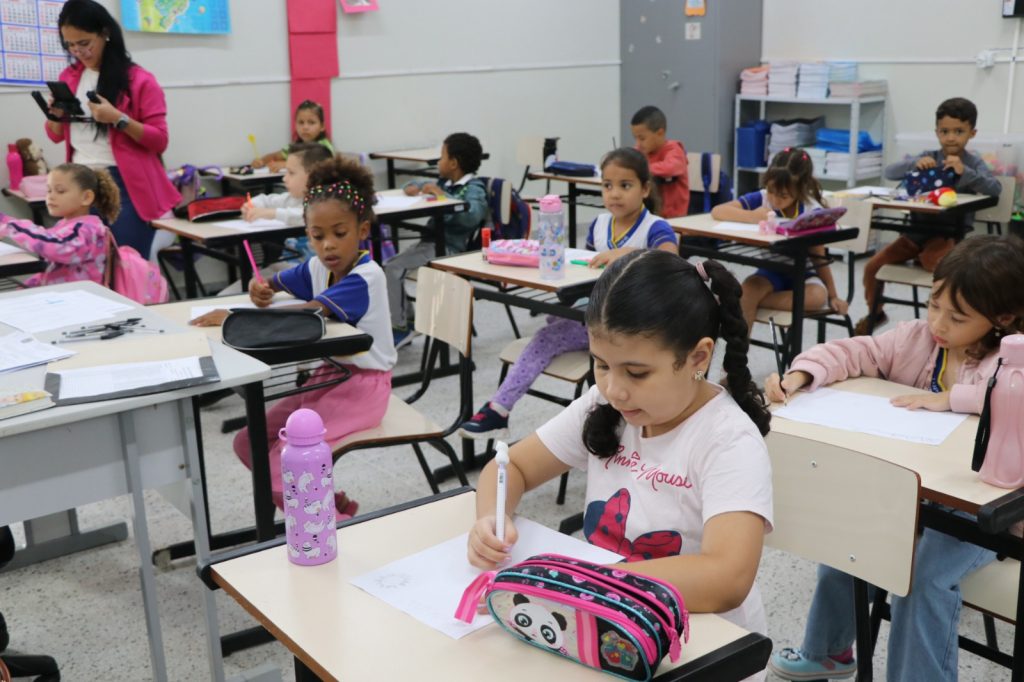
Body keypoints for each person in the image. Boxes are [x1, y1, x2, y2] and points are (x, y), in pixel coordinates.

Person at [468, 250, 774, 680]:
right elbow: (510, 468)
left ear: (698, 358)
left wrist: (591, 580)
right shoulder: (606, 405)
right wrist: (491, 518)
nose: (614, 389)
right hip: (607, 625)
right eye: (601, 365)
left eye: (637, 372)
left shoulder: (727, 439)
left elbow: (727, 578)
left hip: (702, 650)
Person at [765, 234, 1024, 682]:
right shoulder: (918, 339)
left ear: (1001, 318)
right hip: (914, 495)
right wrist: (802, 374)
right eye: (934, 305)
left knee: (922, 580)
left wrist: (953, 398)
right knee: (849, 543)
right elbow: (855, 351)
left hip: (983, 512)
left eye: (957, 317)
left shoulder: (1011, 359)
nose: (938, 323)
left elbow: (1011, 397)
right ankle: (828, 653)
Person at [191, 156, 397, 519]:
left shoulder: (366, 277)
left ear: (363, 230)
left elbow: (306, 315)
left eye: (339, 233)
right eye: (317, 236)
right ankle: (325, 508)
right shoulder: (318, 266)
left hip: (364, 387)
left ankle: (327, 527)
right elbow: (278, 281)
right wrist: (261, 288)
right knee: (249, 443)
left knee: (286, 458)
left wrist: (238, 316)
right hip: (330, 375)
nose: (328, 245)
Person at [458, 147, 679, 440]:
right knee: (554, 320)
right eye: (607, 186)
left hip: (632, 323)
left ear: (645, 189)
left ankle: (499, 408)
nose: (614, 194)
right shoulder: (600, 224)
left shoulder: (655, 226)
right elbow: (585, 271)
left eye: (625, 186)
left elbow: (671, 259)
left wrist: (629, 253)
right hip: (597, 313)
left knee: (544, 337)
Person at [45, 0, 180, 261]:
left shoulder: (139, 80)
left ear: (105, 33)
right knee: (85, 265)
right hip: (80, 182)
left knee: (127, 264)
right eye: (70, 45)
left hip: (124, 184)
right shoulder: (69, 76)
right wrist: (56, 116)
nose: (78, 51)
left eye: (84, 43)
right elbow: (55, 134)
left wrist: (119, 119)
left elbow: (159, 140)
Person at [856, 97, 1002, 335]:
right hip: (914, 235)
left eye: (959, 131)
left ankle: (941, 319)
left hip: (948, 236)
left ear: (972, 133)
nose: (951, 138)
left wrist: (965, 172)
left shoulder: (972, 163)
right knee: (873, 266)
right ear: (936, 132)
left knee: (939, 268)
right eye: (945, 131)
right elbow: (890, 172)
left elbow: (995, 188)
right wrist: (915, 163)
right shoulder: (928, 156)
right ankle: (876, 313)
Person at [711, 148, 847, 334]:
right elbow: (718, 211)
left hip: (802, 273)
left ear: (800, 190)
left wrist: (833, 295)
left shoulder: (811, 211)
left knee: (817, 296)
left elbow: (818, 257)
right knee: (751, 288)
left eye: (783, 196)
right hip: (770, 271)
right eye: (771, 191)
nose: (775, 200)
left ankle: (742, 300)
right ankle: (739, 352)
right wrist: (753, 216)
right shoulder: (762, 198)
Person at [387, 132, 488, 348]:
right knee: (390, 266)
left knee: (392, 269)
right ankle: (409, 321)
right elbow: (423, 183)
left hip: (449, 249)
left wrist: (442, 196)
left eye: (442, 156)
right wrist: (413, 186)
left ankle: (400, 327)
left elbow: (472, 215)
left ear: (453, 163)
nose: (438, 161)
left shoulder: (473, 188)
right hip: (431, 244)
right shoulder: (446, 182)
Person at [0, 163, 120, 288]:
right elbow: (53, 270)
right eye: (49, 190)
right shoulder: (65, 224)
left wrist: (9, 226)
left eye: (60, 191)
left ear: (86, 197)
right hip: (61, 295)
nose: (51, 197)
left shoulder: (87, 230)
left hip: (78, 298)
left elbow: (53, 247)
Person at [630, 105, 690, 218]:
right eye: (635, 138)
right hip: (648, 215)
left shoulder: (674, 150)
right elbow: (628, 161)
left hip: (673, 219)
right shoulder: (641, 150)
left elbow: (671, 168)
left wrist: (640, 168)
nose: (638, 143)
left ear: (660, 133)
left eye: (642, 138)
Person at [253, 99, 336, 172]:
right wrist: (261, 161)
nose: (305, 127)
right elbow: (275, 156)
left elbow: (318, 163)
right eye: (301, 122)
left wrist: (287, 164)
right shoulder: (295, 146)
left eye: (311, 122)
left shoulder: (324, 146)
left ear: (322, 126)